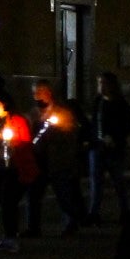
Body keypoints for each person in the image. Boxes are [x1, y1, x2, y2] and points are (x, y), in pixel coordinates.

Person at [0, 91, 38, 253]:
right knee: (4, 202)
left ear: (5, 104)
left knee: (8, 201)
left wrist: (12, 142)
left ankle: (11, 238)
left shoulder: (17, 120)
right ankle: (10, 235)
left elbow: (26, 142)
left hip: (13, 168)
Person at [26, 80, 86, 235]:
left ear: (49, 92)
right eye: (34, 92)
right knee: (33, 195)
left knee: (63, 194)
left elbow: (70, 134)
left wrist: (54, 131)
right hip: (38, 160)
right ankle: (33, 227)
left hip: (57, 160)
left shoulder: (62, 112)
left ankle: (71, 223)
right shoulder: (34, 112)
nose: (36, 95)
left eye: (39, 91)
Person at [87, 71, 130, 224]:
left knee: (118, 181)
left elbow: (127, 126)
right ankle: (93, 213)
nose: (101, 86)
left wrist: (115, 138)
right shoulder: (98, 102)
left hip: (114, 149)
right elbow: (93, 124)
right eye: (99, 83)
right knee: (96, 182)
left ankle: (125, 212)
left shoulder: (121, 104)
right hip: (97, 147)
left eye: (104, 83)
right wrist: (91, 140)